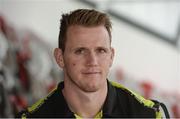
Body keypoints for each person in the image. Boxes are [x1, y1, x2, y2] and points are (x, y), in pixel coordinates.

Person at [18, 9, 169, 118]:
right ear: (60, 58)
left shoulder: (146, 114)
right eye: (81, 51)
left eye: (101, 51)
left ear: (111, 56)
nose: (92, 62)